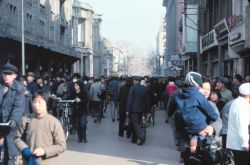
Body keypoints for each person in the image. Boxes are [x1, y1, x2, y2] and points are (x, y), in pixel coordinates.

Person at [14, 90, 66, 165]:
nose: (36, 105)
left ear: (47, 103)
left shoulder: (54, 122)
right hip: (28, 161)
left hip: (48, 162)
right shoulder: (26, 120)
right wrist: (24, 149)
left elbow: (61, 146)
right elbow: (17, 138)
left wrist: (44, 151)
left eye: (39, 102)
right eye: (34, 102)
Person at [0, 63, 25, 165]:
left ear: (14, 75)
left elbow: (18, 107)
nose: (6, 76)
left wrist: (14, 120)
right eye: (4, 74)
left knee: (10, 150)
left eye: (9, 74)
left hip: (11, 123)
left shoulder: (19, 87)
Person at [226, 83, 250, 165]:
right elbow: (242, 126)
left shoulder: (237, 102)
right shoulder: (242, 105)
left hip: (238, 144)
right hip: (241, 146)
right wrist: (245, 144)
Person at [126, 76, 149, 145]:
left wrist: (127, 110)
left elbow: (130, 100)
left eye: (134, 80)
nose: (133, 81)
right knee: (137, 123)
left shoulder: (132, 88)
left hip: (134, 109)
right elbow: (147, 100)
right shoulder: (144, 88)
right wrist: (147, 110)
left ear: (136, 81)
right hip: (142, 109)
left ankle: (141, 136)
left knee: (135, 124)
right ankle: (134, 139)